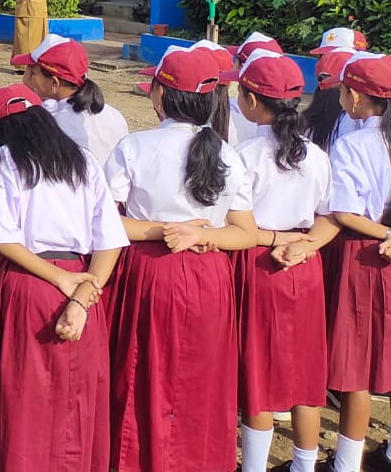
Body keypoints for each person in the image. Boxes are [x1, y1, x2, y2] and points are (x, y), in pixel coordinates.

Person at [277, 53, 391, 472]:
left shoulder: (353, 143)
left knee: (355, 366)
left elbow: (346, 213)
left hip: (363, 257)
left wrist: (389, 235)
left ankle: (347, 462)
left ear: (355, 97)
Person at [105, 46, 258, 472]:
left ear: (159, 95)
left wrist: (160, 230)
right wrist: (194, 232)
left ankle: (137, 460)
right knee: (201, 379)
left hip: (148, 272)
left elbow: (105, 224)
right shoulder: (227, 154)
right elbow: (245, 234)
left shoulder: (135, 147)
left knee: (140, 374)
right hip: (209, 275)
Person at [0, 84, 127, 472]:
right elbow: (110, 239)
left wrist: (61, 281)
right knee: (74, 394)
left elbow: (4, 239)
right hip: (82, 277)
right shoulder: (83, 160)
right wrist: (82, 293)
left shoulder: (3, 161)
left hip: (27, 282)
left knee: (22, 395)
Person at [220, 50, 332, 472]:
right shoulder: (317, 155)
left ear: (250, 101)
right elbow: (329, 215)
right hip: (305, 264)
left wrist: (272, 238)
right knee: (306, 371)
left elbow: (233, 221)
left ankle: (252, 466)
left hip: (258, 264)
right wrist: (303, 243)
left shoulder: (244, 156)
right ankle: (305, 465)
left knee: (258, 372)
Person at [15, 34, 129, 166]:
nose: (28, 76)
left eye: (33, 73)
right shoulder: (114, 115)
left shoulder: (51, 124)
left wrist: (29, 88)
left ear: (54, 83)